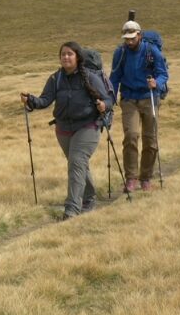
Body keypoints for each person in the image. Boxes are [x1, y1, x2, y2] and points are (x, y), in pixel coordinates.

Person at [20, 41, 113, 219]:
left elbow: (108, 100)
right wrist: (31, 100)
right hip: (63, 129)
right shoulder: (56, 79)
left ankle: (72, 209)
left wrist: (103, 105)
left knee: (76, 162)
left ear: (78, 57)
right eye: (63, 54)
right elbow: (44, 101)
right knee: (78, 164)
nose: (66, 57)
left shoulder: (91, 78)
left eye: (70, 54)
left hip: (88, 126)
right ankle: (89, 197)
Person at [109, 20, 168, 192]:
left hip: (149, 97)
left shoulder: (152, 51)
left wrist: (156, 82)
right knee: (131, 136)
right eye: (126, 38)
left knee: (150, 140)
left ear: (139, 36)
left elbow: (163, 73)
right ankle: (131, 178)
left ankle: (146, 178)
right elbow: (114, 78)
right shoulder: (120, 53)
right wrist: (110, 99)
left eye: (132, 38)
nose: (129, 42)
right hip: (129, 99)